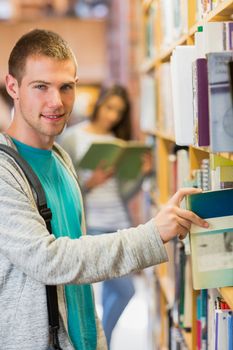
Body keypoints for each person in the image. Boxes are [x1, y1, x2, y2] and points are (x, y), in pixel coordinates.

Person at [0, 28, 208, 350]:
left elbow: (79, 277)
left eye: (66, 87)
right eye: (40, 86)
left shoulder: (62, 159)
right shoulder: (3, 171)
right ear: (13, 86)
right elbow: (49, 260)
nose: (56, 101)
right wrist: (151, 234)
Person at [60, 83, 154, 348]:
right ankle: (104, 342)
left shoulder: (118, 142)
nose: (112, 116)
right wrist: (90, 183)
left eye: (119, 112)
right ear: (100, 103)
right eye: (110, 107)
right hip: (93, 224)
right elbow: (63, 185)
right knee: (126, 289)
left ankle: (103, 341)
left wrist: (142, 174)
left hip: (120, 222)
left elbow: (123, 193)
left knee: (119, 290)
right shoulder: (73, 138)